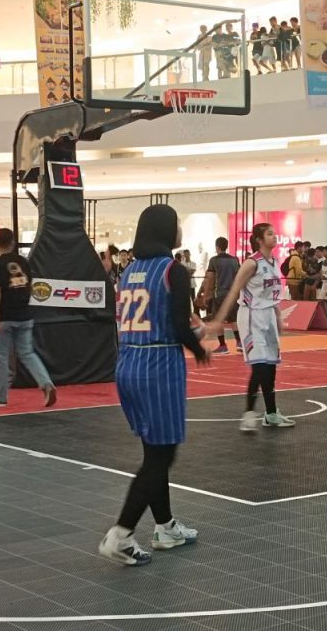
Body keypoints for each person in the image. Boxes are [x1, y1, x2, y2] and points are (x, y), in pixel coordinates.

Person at [98, 205, 207, 566]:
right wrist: (198, 348)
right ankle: (121, 534)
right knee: (162, 457)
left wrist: (190, 336)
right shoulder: (173, 271)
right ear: (166, 229)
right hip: (158, 366)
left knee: (153, 451)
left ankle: (165, 526)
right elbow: (178, 325)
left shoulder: (130, 270)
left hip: (128, 361)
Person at [207, 223, 295, 431]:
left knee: (270, 366)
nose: (275, 236)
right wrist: (219, 318)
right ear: (259, 239)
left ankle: (271, 414)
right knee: (259, 365)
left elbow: (271, 295)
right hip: (251, 315)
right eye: (270, 234)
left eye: (274, 233)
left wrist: (278, 316)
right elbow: (234, 291)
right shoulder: (251, 263)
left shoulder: (274, 262)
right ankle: (248, 413)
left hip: (268, 315)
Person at [0, 228, 58, 408]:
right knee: (27, 353)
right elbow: (29, 286)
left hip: (5, 316)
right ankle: (46, 383)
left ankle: (1, 397)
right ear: (13, 242)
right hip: (25, 315)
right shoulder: (23, 262)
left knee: (0, 357)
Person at [198, 237, 241, 355]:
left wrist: (205, 295)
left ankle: (223, 346)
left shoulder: (214, 261)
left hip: (219, 294)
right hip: (233, 294)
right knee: (234, 319)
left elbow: (209, 279)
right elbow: (239, 277)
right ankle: (239, 343)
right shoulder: (234, 260)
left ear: (217, 247)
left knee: (218, 320)